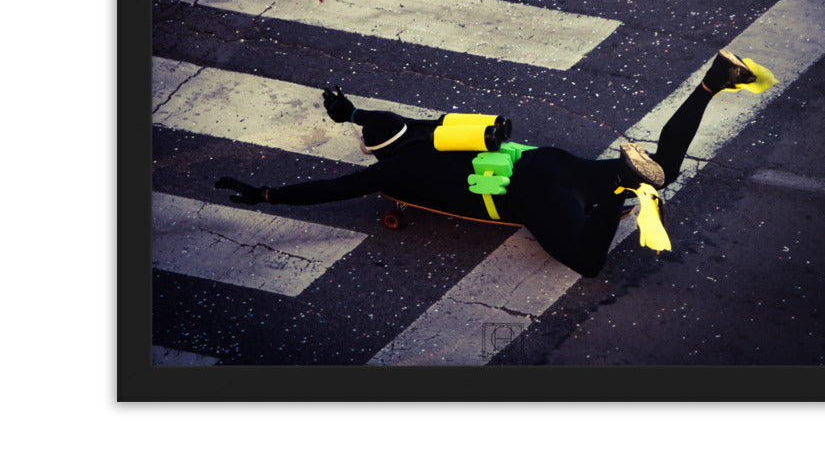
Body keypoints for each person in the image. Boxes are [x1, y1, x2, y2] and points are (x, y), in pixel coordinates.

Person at [216, 50, 768, 279]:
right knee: (666, 167)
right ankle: (712, 81)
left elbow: (330, 189)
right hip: (551, 163)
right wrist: (351, 111)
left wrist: (266, 195)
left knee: (588, 263)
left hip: (530, 198)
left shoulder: (389, 173)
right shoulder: (434, 130)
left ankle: (625, 185)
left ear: (376, 154)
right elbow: (380, 119)